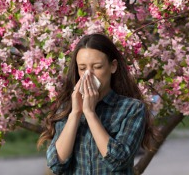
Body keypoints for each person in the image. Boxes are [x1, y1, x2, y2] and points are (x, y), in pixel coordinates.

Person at [37, 33, 159, 174]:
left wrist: (90, 113)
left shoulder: (132, 109)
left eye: (97, 67)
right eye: (82, 68)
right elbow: (55, 163)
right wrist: (76, 113)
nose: (88, 75)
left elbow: (118, 160)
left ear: (112, 66)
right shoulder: (68, 109)